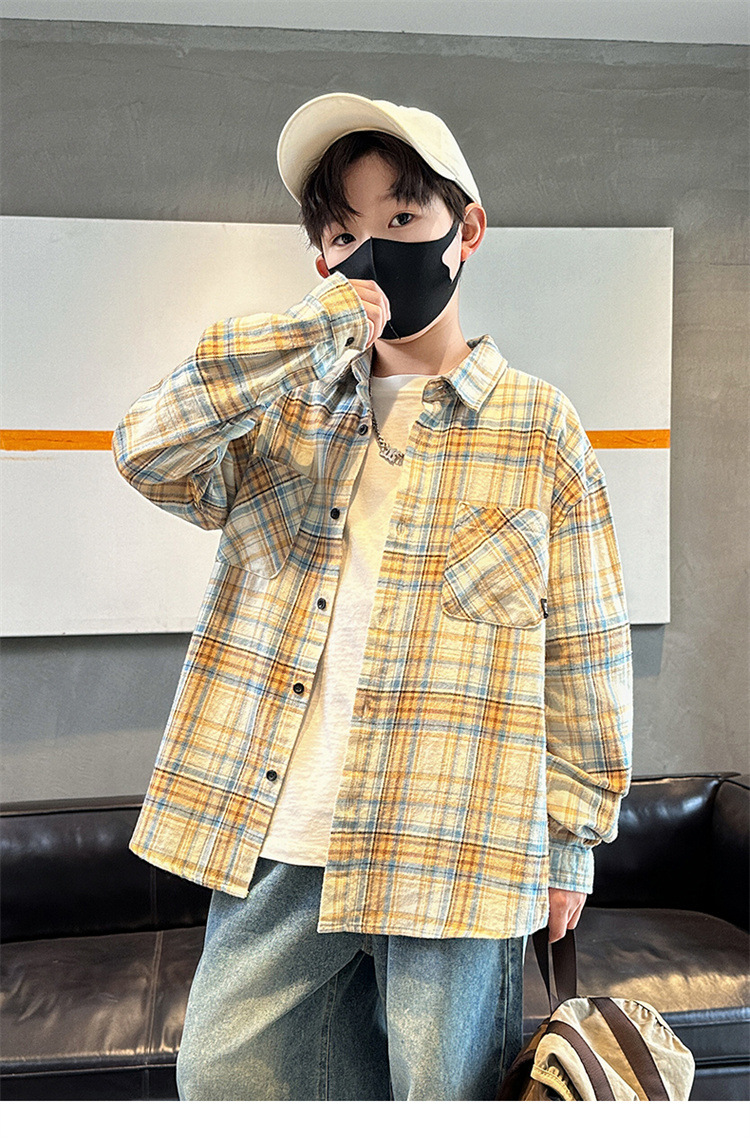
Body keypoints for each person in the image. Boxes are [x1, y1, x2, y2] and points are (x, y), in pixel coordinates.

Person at [111, 92, 633, 1101]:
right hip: (282, 835)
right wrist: (303, 337)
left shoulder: (540, 427)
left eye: (402, 218)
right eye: (347, 233)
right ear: (320, 257)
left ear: (465, 231)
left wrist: (572, 845)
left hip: (458, 844)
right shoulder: (285, 410)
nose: (375, 251)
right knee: (222, 1082)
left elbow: (585, 651)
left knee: (442, 1100)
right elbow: (148, 449)